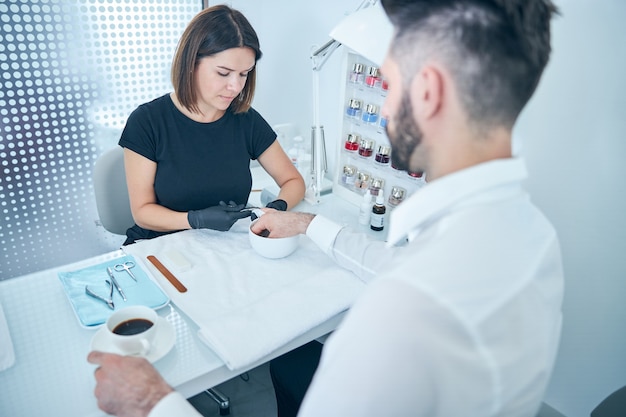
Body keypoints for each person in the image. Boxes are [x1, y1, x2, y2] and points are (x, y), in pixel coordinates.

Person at [88, 0, 564, 416]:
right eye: (224, 73)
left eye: (389, 82)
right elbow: (396, 266)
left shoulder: (400, 311)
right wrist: (307, 223)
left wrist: (151, 404)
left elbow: (403, 283)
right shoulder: (532, 233)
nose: (381, 109)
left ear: (428, 90)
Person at [119, 5, 305, 245]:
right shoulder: (147, 122)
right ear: (191, 63)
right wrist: (195, 219)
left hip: (222, 246)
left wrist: (277, 207)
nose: (236, 87)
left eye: (244, 74)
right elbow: (143, 213)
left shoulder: (245, 120)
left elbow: (293, 182)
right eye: (224, 73)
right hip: (161, 247)